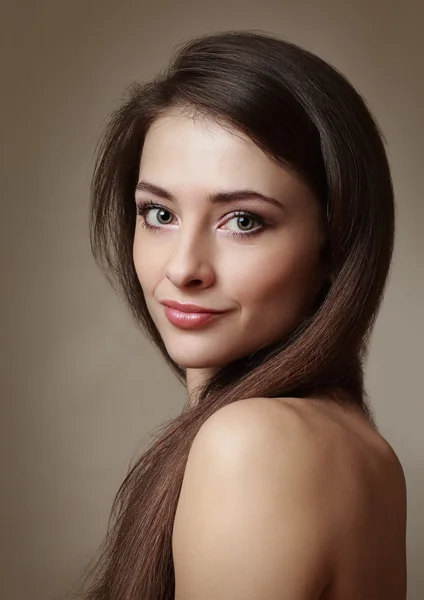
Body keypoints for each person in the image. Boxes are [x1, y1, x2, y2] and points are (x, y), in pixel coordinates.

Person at [77, 29, 407, 600]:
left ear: (333, 240)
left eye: (244, 221)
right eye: (158, 213)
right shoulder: (356, 447)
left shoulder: (255, 446)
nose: (183, 268)